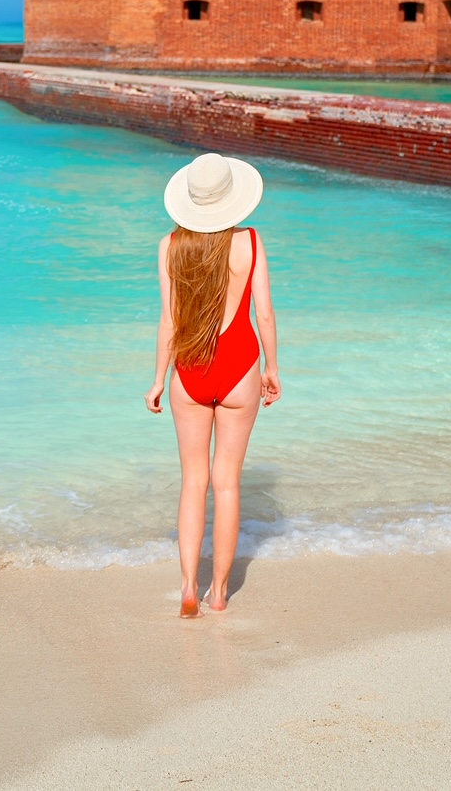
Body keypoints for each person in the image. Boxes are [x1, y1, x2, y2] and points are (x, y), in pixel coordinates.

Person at [146, 152, 281, 618]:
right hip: (241, 367)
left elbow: (168, 322)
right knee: (226, 484)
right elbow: (263, 313)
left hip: (190, 370)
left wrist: (158, 379)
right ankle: (220, 593)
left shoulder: (170, 245)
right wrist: (273, 368)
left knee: (193, 483)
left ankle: (188, 588)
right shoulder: (251, 242)